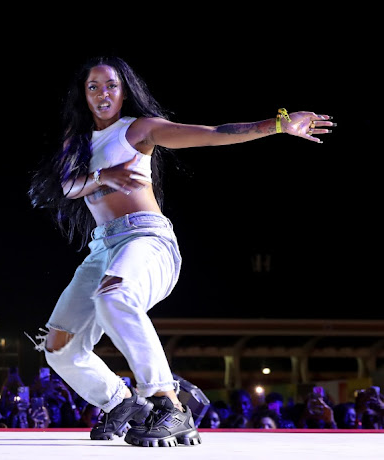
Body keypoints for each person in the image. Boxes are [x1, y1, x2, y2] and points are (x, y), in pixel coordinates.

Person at [27, 55, 333, 447]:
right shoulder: (78, 142)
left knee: (115, 296)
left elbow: (213, 132)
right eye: (94, 87)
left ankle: (168, 403)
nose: (103, 94)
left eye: (111, 86)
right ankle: (122, 402)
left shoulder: (139, 130)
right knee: (59, 346)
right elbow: (64, 188)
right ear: (83, 95)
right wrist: (103, 176)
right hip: (102, 247)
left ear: (124, 93)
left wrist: (275, 125)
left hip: (146, 241)